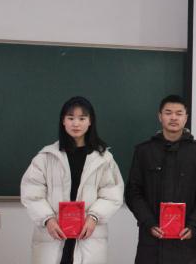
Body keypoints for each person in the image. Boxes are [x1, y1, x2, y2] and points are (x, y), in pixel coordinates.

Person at [20, 96, 124, 264]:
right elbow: (32, 193)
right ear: (63, 121)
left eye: (82, 118)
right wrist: (48, 219)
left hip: (88, 235)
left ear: (90, 121)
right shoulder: (46, 157)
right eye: (70, 118)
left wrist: (94, 217)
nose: (76, 123)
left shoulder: (103, 159)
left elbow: (112, 194)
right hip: (53, 235)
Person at [125, 95, 196, 264]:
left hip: (185, 238)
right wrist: (149, 222)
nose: (173, 117)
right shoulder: (144, 151)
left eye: (179, 113)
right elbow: (133, 192)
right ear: (160, 116)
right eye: (168, 113)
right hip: (151, 238)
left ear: (186, 118)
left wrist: (194, 225)